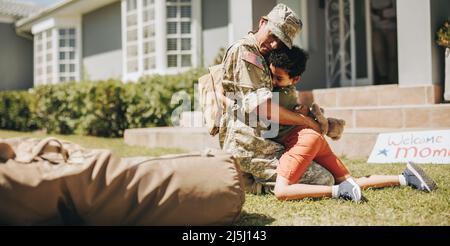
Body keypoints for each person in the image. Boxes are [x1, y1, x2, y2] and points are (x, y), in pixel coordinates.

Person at [267, 46, 438, 202]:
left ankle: (339, 191)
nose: (272, 81)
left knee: (282, 191)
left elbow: (265, 111)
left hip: (301, 140)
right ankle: (405, 177)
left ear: (295, 79)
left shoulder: (274, 94)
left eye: (278, 78)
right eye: (271, 75)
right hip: (313, 139)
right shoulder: (288, 89)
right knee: (351, 181)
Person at [219, 4, 333, 194]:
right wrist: (304, 121)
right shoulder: (246, 52)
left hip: (265, 139)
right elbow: (263, 108)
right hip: (248, 143)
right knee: (323, 179)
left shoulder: (263, 56)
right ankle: (249, 184)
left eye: (281, 41)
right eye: (273, 35)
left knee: (320, 168)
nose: (274, 44)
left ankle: (245, 176)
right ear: (262, 22)